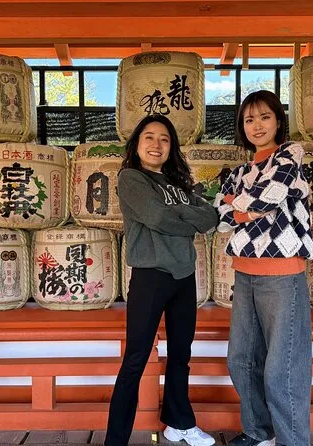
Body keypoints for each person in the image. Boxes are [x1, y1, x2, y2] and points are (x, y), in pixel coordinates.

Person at [105, 114, 218, 446]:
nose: (157, 144)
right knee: (136, 358)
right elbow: (156, 217)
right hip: (150, 277)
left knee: (181, 354)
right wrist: (188, 219)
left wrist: (180, 216)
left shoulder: (178, 183)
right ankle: (115, 441)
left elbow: (210, 216)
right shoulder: (131, 178)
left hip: (184, 276)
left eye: (165, 139)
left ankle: (179, 423)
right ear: (137, 144)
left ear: (172, 147)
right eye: (149, 137)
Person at [214, 90, 313, 446]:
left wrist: (239, 205)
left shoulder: (289, 157)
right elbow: (220, 216)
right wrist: (243, 207)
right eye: (249, 119)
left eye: (264, 117)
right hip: (245, 273)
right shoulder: (239, 171)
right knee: (241, 359)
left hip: (283, 274)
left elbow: (266, 198)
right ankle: (259, 433)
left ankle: (292, 441)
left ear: (278, 121)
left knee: (282, 369)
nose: (256, 125)